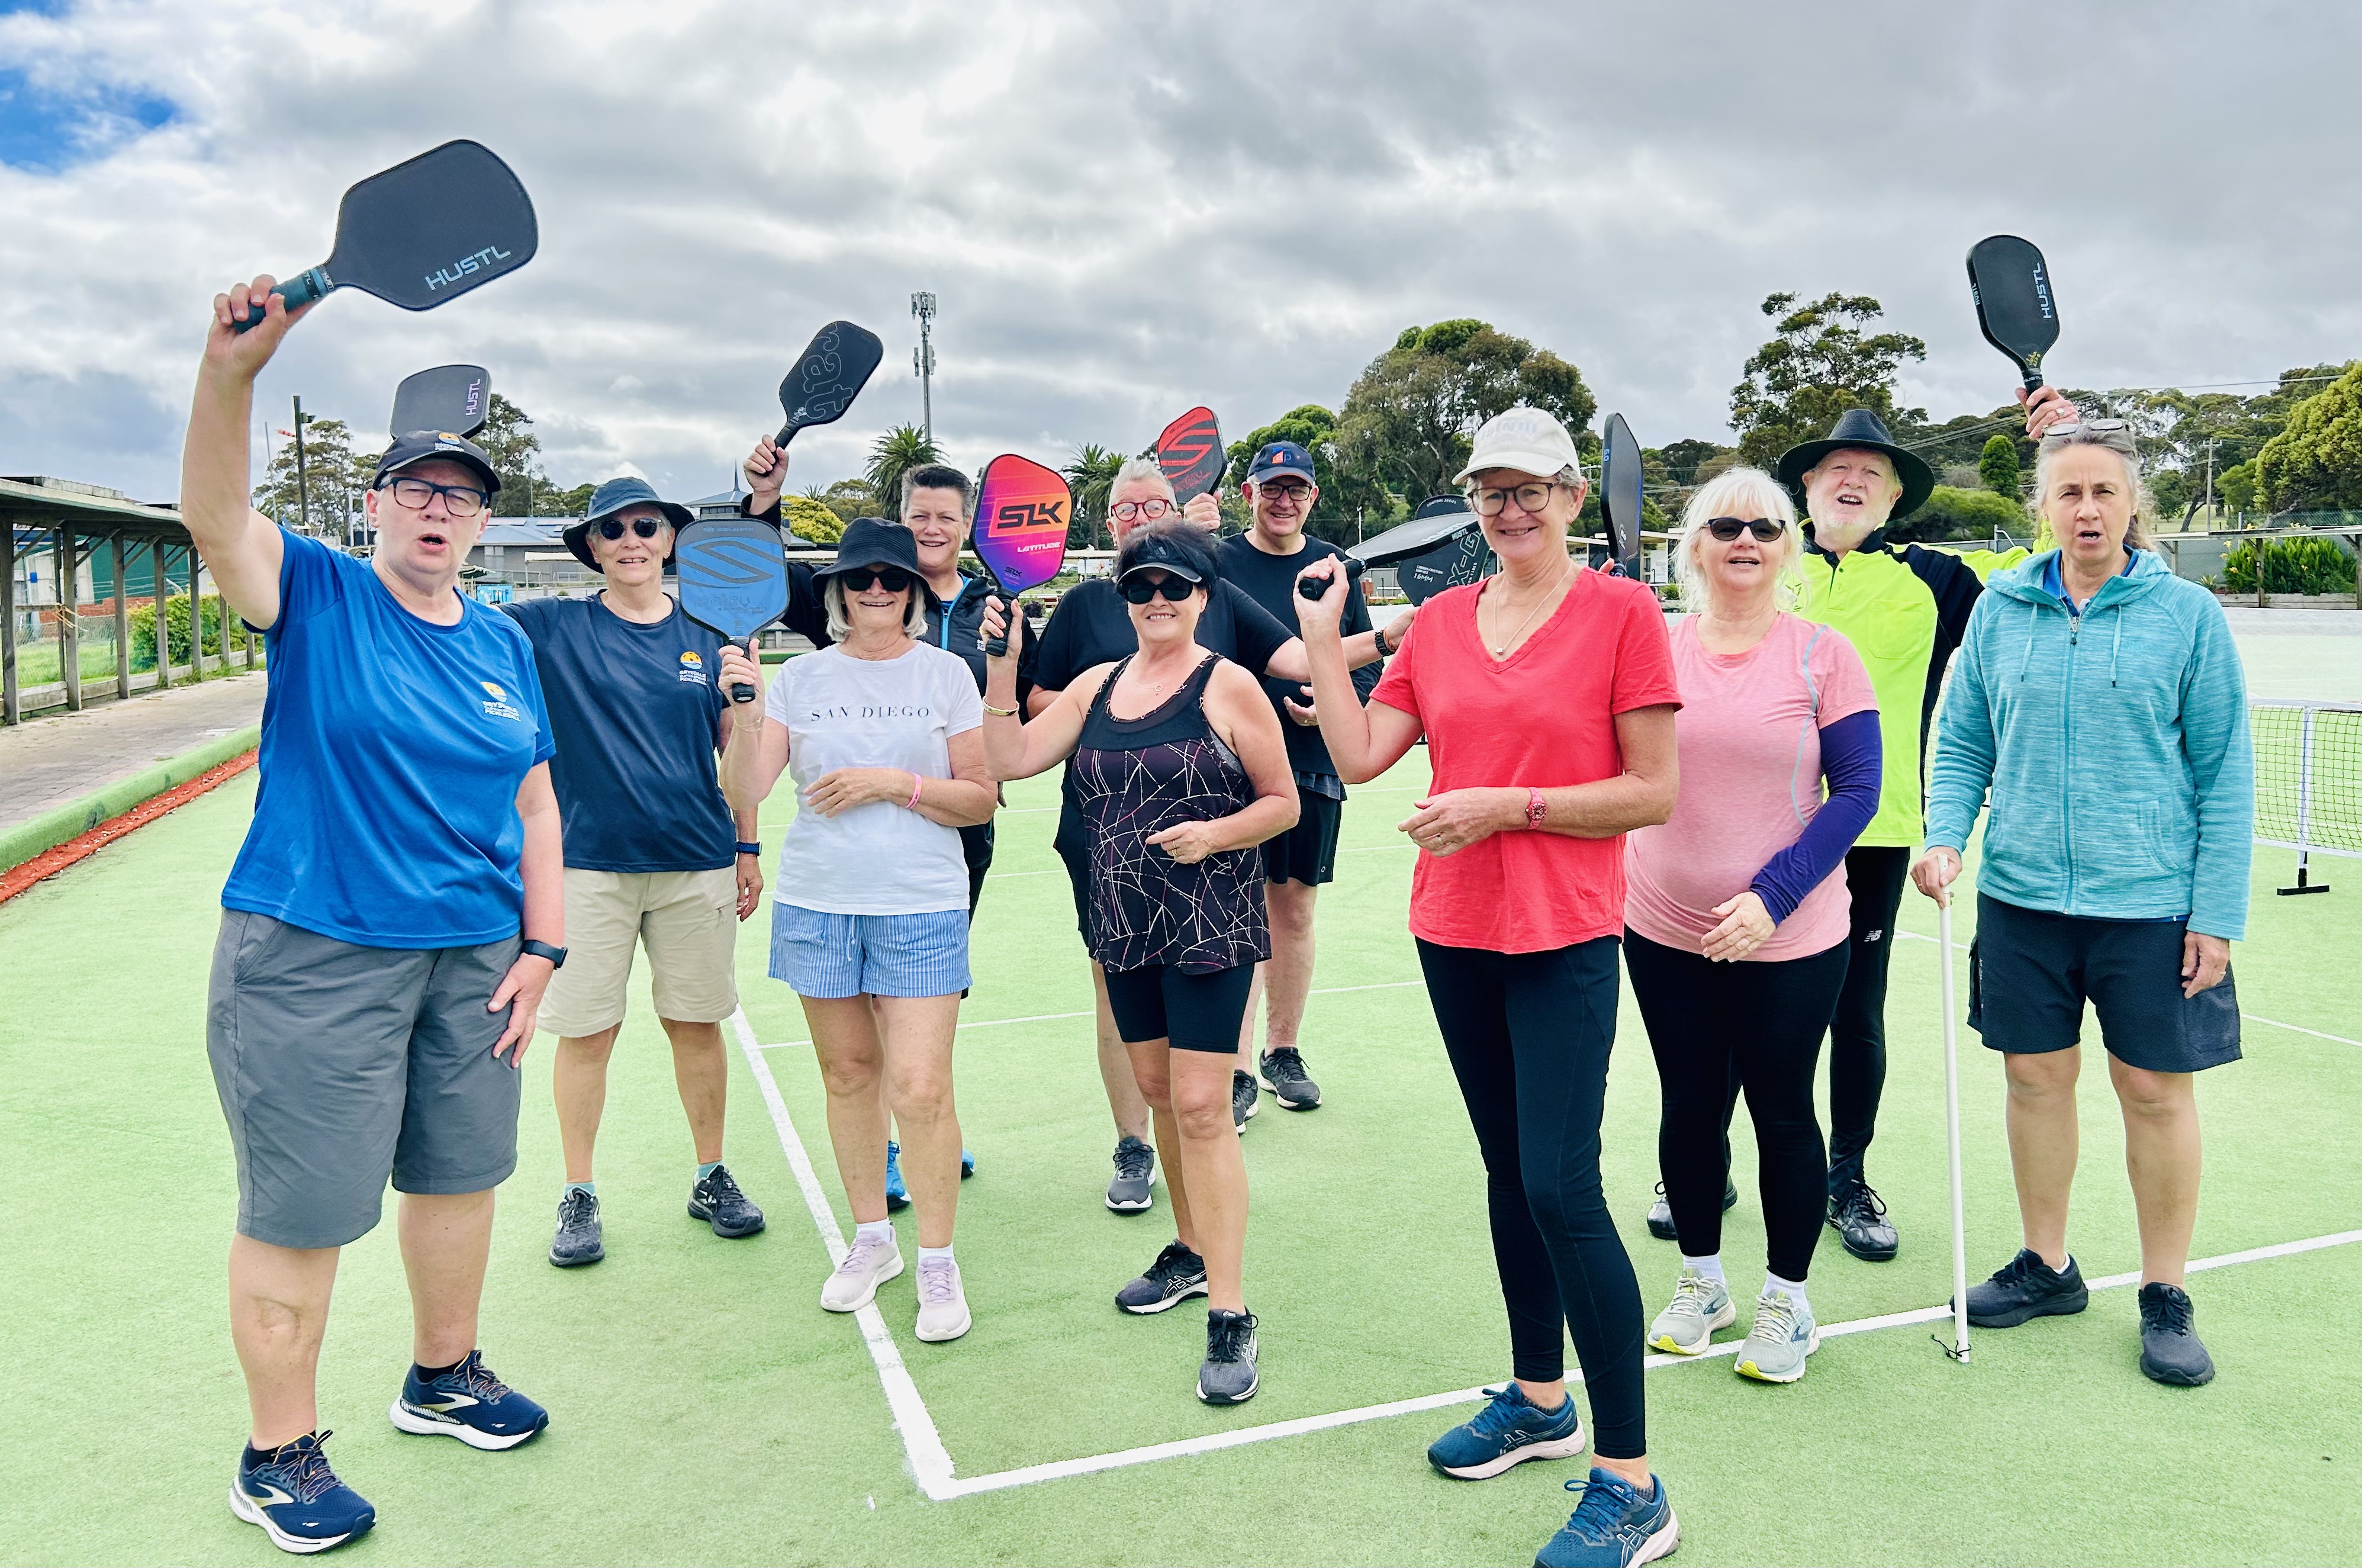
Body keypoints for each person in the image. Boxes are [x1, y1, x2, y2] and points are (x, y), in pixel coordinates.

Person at [187, 280, 559, 1554]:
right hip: (314, 956)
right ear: (377, 502)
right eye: (418, 487)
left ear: (482, 517)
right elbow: (215, 515)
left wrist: (543, 944)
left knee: (461, 1174)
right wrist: (229, 375)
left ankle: (441, 1375)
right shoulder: (320, 592)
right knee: (304, 1208)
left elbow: (536, 796)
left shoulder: (504, 642)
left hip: (475, 957)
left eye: (463, 492)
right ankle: (275, 1450)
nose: (441, 507)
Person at [1299, 406, 1682, 1568]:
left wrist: (1506, 806)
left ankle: (1632, 1481)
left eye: (1530, 489)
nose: (1509, 509)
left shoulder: (1623, 611)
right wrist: (1322, 634)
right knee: (1509, 1178)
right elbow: (1364, 753)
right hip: (1454, 929)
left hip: (1563, 933)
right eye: (1490, 491)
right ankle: (1538, 1396)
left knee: (1562, 1187)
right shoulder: (1445, 621)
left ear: (1574, 497)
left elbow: (1652, 789)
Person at [1915, 401, 2252, 1388]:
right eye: (2070, 490)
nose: (2089, 507)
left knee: (2153, 1092)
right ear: (2045, 505)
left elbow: (2224, 768)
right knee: (2033, 1079)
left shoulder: (2185, 614)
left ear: (2133, 503)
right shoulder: (2001, 607)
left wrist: (2217, 913)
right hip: (2023, 899)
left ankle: (2164, 1289)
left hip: (2150, 901)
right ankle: (2047, 1263)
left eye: (2106, 489)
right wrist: (1946, 832)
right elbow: (1964, 734)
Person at [1640, 407, 2026, 1259]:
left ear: (1893, 500)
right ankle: (1699, 1161)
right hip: (1741, 834)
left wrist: (2054, 445)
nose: (1852, 480)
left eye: (1874, 473)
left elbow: (2060, 565)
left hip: (1872, 829)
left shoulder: (1936, 580)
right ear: (1805, 491)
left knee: (1854, 1012)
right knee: (1727, 998)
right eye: (1833, 470)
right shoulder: (1768, 560)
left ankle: (1842, 1178)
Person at [979, 522, 1297, 1404]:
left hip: (1209, 922)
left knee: (1200, 1107)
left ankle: (1229, 1312)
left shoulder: (1228, 685)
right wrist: (1002, 667)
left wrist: (1216, 834)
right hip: (1120, 920)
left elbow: (1280, 804)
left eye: (1174, 586)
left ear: (1203, 594)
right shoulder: (1094, 684)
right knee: (1158, 1094)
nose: (1156, 600)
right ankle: (1190, 1253)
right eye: (1140, 587)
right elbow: (1009, 759)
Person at [1029, 456, 1402, 1207]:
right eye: (1129, 511)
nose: (1144, 525)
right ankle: (1133, 1143)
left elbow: (1299, 659)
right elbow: (1032, 707)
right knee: (1118, 995)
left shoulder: (1215, 605)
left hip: (1208, 844)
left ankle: (1234, 1106)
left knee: (1203, 1053)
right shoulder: (1085, 610)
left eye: (1157, 505)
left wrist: (1389, 638)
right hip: (1104, 829)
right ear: (1111, 526)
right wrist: (1084, 705)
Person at [1621, 469, 1882, 1385]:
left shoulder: (1822, 654)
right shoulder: (1653, 647)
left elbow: (1856, 792)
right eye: (1724, 526)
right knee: (1688, 1104)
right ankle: (1702, 1283)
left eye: (1765, 527)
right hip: (1660, 922)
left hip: (1790, 932)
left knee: (1779, 1109)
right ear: (1693, 545)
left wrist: (1770, 896)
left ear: (1789, 544)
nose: (1745, 540)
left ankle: (1786, 1297)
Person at [718, 519, 996, 1343]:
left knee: (919, 1088)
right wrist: (742, 711)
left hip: (920, 902)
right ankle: (872, 1240)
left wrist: (894, 783)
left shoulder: (947, 673)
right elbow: (747, 787)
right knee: (847, 1076)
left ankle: (938, 1259)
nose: (876, 590)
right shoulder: (797, 677)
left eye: (892, 578)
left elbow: (980, 797)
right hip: (819, 902)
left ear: (913, 590)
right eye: (859, 579)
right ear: (836, 592)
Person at [507, 477, 770, 1270]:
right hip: (587, 868)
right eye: (611, 529)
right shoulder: (550, 626)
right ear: (591, 547)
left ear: (668, 540)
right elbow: (444, 614)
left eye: (646, 526)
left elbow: (741, 768)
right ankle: (579, 1190)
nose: (630, 539)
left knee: (696, 1026)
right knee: (586, 1034)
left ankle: (710, 1173)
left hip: (696, 862)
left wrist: (748, 842)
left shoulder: (711, 633)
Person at [1213, 440, 1385, 1114]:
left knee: (1294, 909)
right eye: (1271, 488)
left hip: (1310, 766)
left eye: (1297, 490)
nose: (1283, 500)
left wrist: (1330, 708)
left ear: (1313, 497)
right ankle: (1232, 1067)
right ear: (1248, 492)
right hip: (1225, 764)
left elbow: (1368, 669)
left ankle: (1281, 1051)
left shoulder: (1336, 569)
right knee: (1233, 913)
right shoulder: (1216, 561)